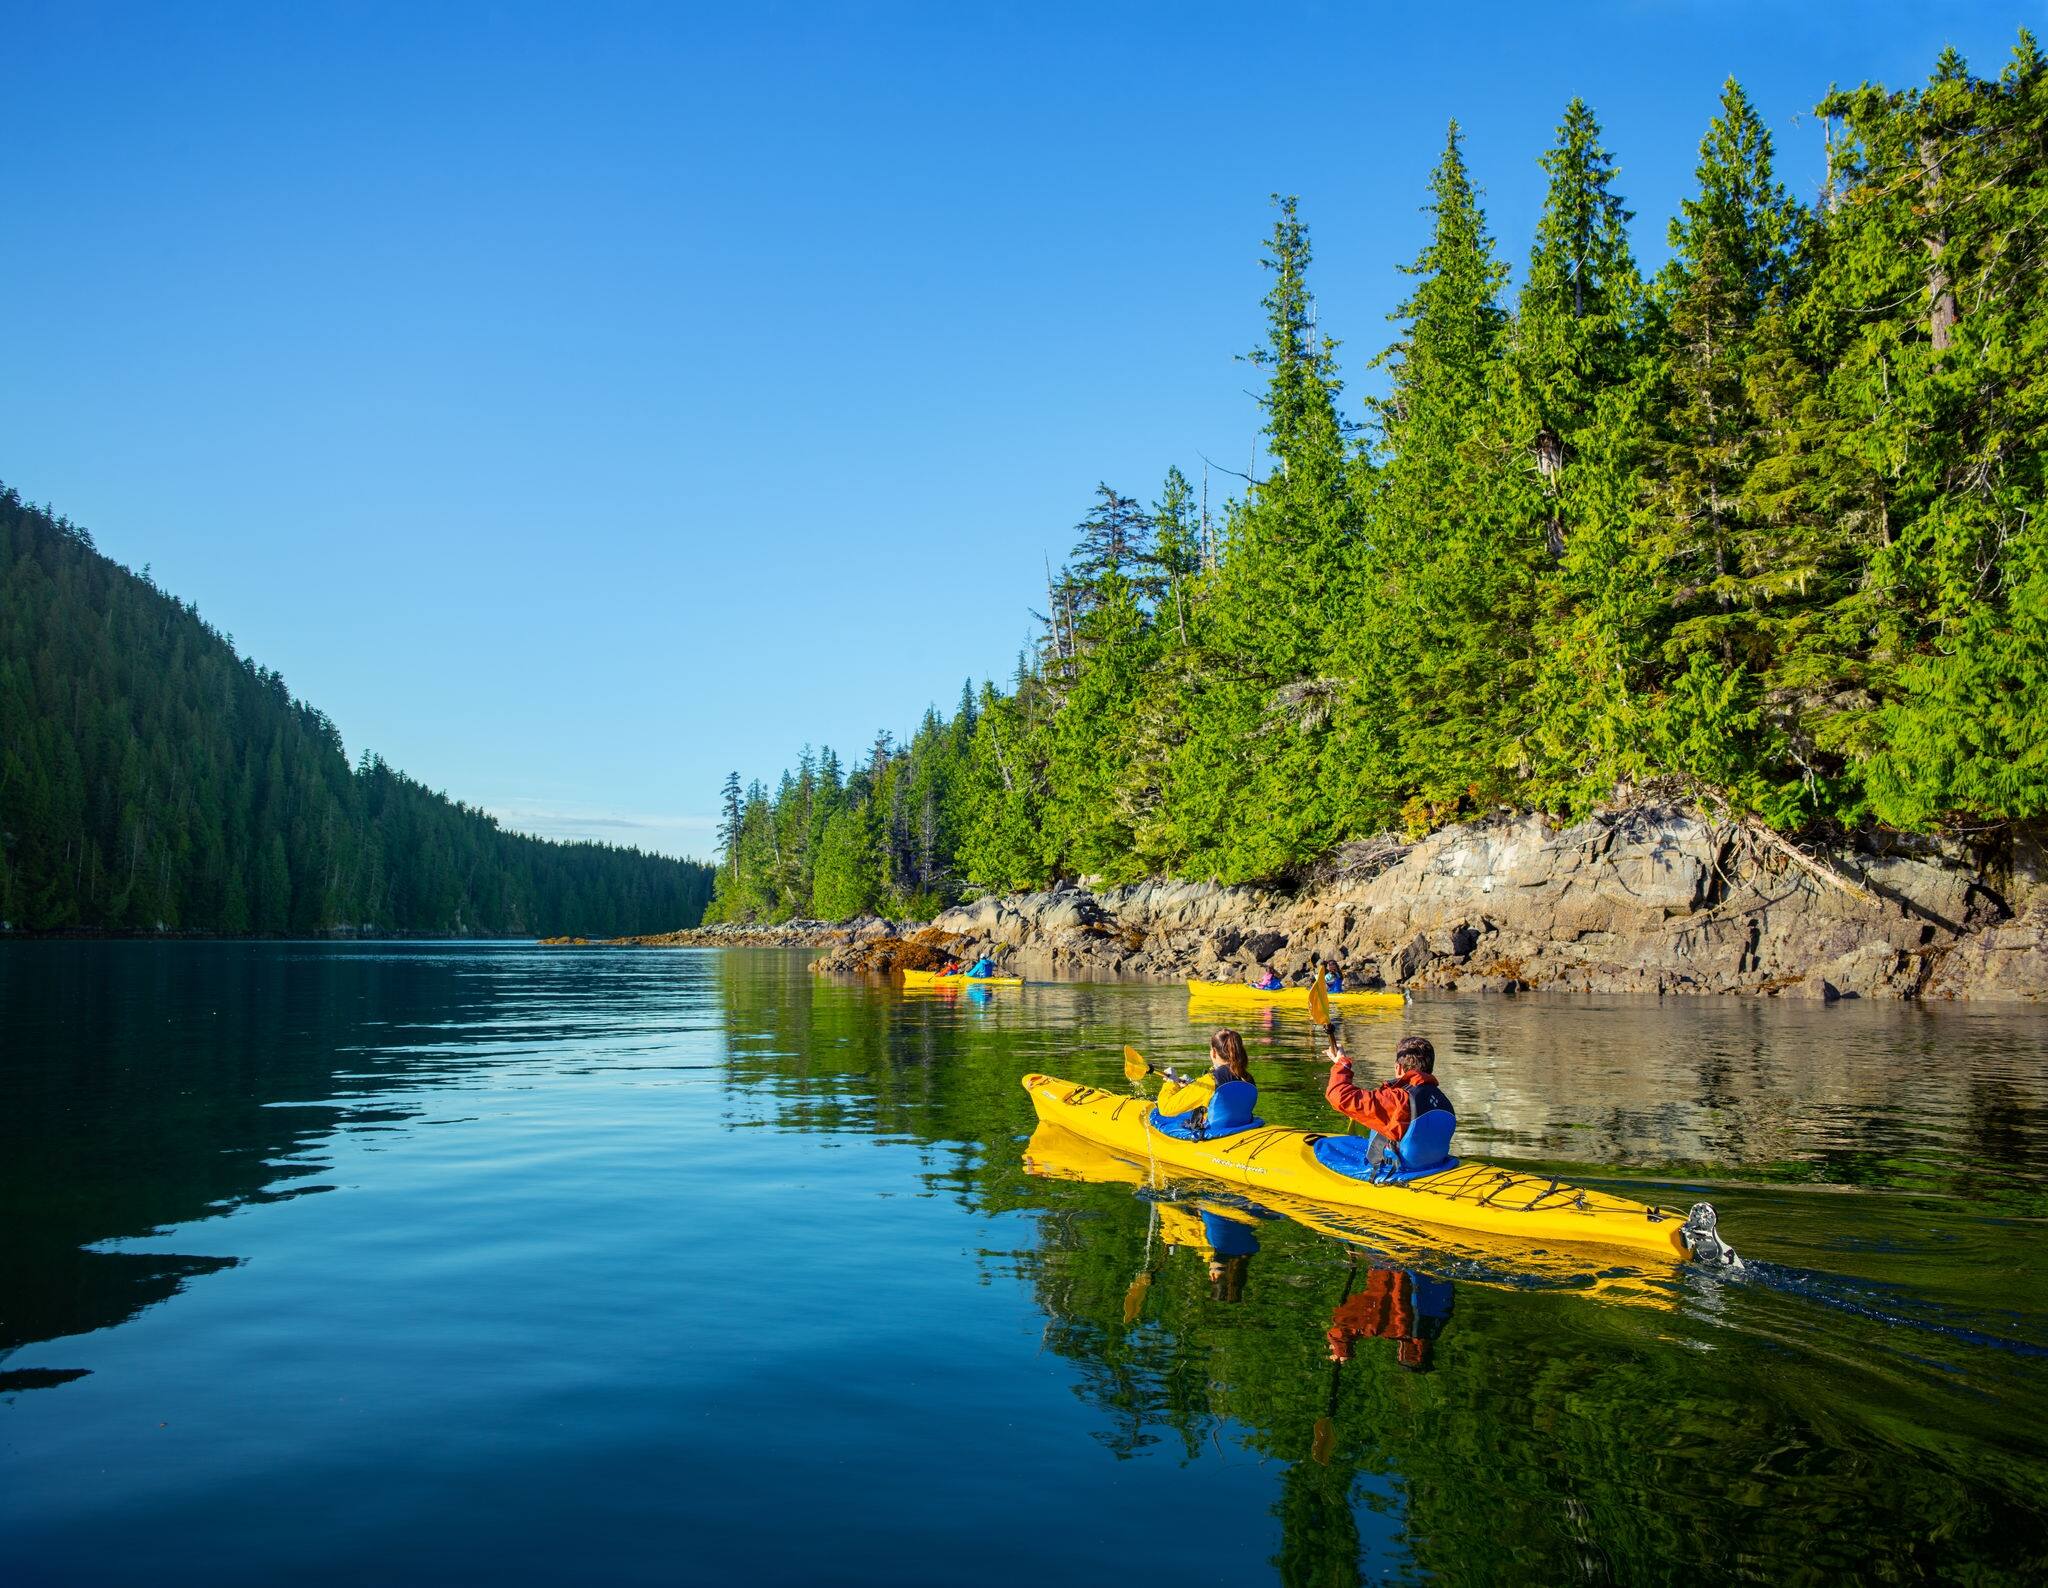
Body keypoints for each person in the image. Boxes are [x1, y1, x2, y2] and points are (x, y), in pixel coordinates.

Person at [1324, 1034, 1453, 1159]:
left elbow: (1338, 1095)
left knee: (1323, 1146)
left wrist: (1342, 1063)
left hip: (1397, 1172)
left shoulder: (1397, 1100)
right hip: (1435, 1165)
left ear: (1398, 1068)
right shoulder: (1443, 1100)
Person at [1158, 1029, 1259, 1136]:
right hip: (1242, 1128)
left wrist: (1170, 1082)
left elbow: (1165, 1109)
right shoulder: (1247, 1078)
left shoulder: (1210, 1081)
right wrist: (1193, 1084)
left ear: (1214, 1052)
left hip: (1214, 1134)